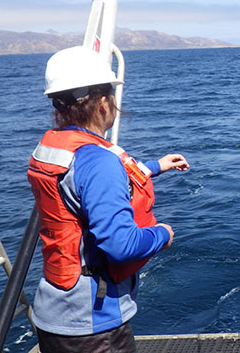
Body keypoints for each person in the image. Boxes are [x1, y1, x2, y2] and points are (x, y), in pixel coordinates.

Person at [27, 46, 190, 352]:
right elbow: (121, 245)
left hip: (53, 310)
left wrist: (157, 166)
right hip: (91, 324)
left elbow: (84, 186)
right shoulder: (98, 161)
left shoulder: (55, 148)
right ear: (103, 103)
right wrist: (163, 234)